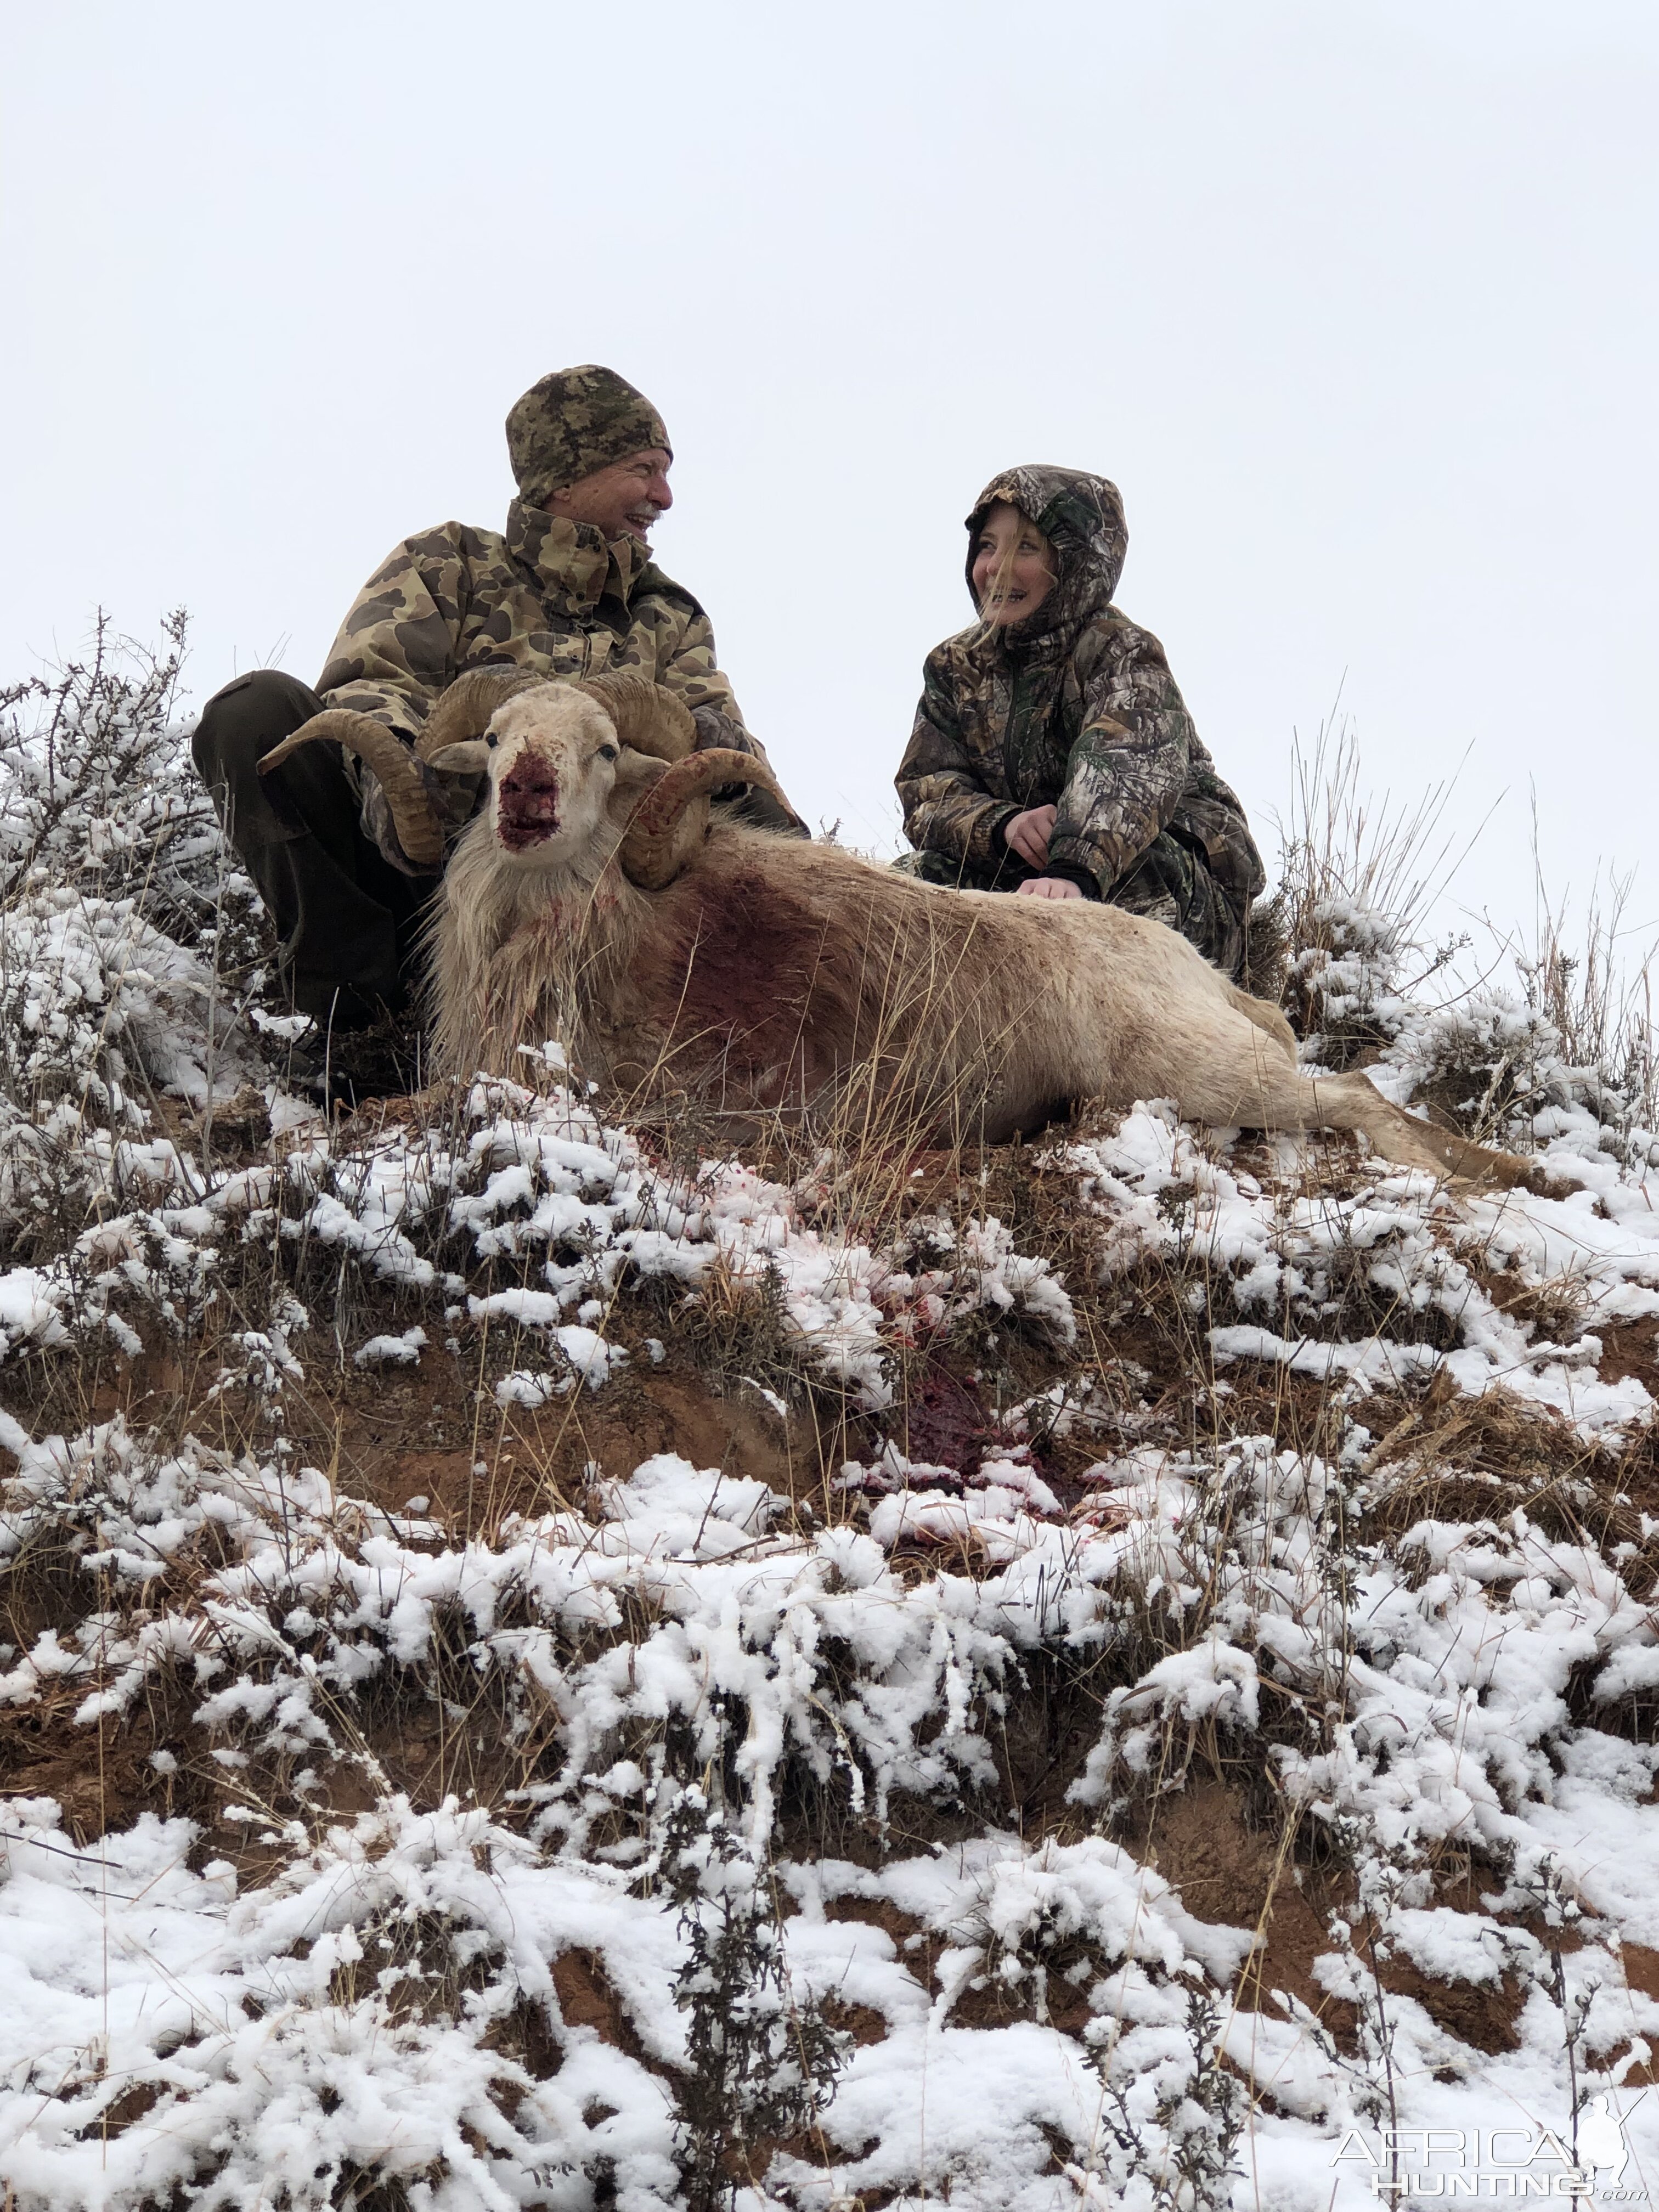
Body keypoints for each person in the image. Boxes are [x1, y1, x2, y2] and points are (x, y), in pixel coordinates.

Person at [191, 364, 795, 1074]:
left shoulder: (668, 613)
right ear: (569, 474)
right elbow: (371, 684)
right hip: (434, 864)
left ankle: (772, 1019)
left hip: (594, 905)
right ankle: (357, 1018)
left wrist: (709, 739)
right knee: (257, 714)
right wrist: (401, 784)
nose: (664, 495)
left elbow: (713, 722)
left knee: (756, 802)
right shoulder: (446, 564)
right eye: (646, 469)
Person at [895, 466, 1265, 978]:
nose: (996, 568)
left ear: (1076, 561)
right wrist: (1003, 825)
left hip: (1160, 882)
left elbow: (1125, 767)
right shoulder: (954, 667)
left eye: (1026, 548)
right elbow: (927, 789)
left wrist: (1075, 868)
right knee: (911, 886)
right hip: (1030, 882)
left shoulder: (1120, 650)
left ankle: (1142, 1045)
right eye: (987, 546)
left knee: (1138, 872)